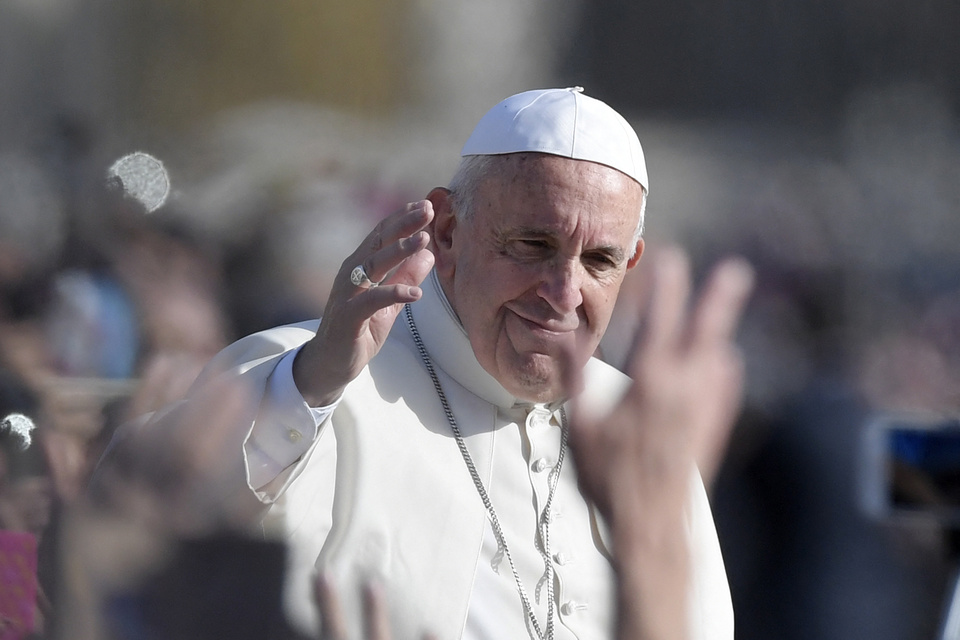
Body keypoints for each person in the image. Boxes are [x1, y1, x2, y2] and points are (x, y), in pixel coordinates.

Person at [103, 87, 751, 640]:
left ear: (630, 267)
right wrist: (312, 388)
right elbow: (122, 532)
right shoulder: (314, 373)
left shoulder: (636, 425)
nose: (564, 292)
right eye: (533, 245)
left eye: (599, 261)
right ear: (446, 232)